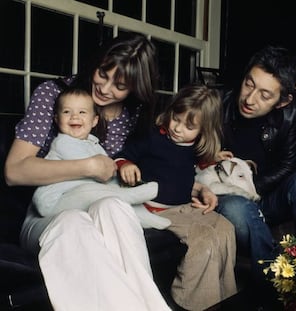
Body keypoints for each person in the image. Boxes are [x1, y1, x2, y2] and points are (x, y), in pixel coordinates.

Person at [4, 33, 174, 311]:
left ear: (134, 89)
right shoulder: (54, 95)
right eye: (103, 74)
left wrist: (196, 184)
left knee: (114, 207)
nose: (105, 89)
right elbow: (14, 171)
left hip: (99, 207)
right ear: (96, 62)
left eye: (120, 86)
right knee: (74, 222)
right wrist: (88, 166)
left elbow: (138, 163)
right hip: (51, 216)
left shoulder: (130, 114)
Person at [115, 84, 238, 311]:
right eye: (176, 119)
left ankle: (224, 298)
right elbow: (122, 156)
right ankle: (192, 304)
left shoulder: (194, 147)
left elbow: (190, 165)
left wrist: (210, 168)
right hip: (157, 209)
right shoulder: (153, 138)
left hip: (184, 206)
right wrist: (126, 164)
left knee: (225, 229)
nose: (178, 129)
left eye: (189, 126)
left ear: (204, 130)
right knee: (203, 239)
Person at [216, 46, 296, 284]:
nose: (249, 99)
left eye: (265, 95)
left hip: (265, 195)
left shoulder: (291, 110)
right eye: (249, 84)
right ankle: (277, 279)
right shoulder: (218, 103)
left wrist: (252, 189)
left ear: (282, 101)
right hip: (229, 197)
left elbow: (289, 163)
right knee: (237, 208)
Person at [31, 86, 171, 229]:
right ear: (56, 119)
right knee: (90, 191)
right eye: (67, 112)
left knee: (103, 195)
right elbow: (99, 174)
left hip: (80, 199)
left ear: (94, 121)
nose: (74, 116)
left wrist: (121, 177)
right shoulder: (62, 142)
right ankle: (129, 197)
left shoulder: (94, 144)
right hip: (52, 202)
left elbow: (108, 170)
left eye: (82, 112)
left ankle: (144, 216)